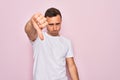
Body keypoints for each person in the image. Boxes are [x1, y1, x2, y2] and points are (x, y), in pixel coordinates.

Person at [25, 7, 79, 80]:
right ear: (46, 23)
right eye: (51, 24)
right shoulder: (38, 37)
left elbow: (71, 65)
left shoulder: (67, 42)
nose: (55, 28)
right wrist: (32, 22)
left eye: (57, 24)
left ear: (61, 21)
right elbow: (28, 30)